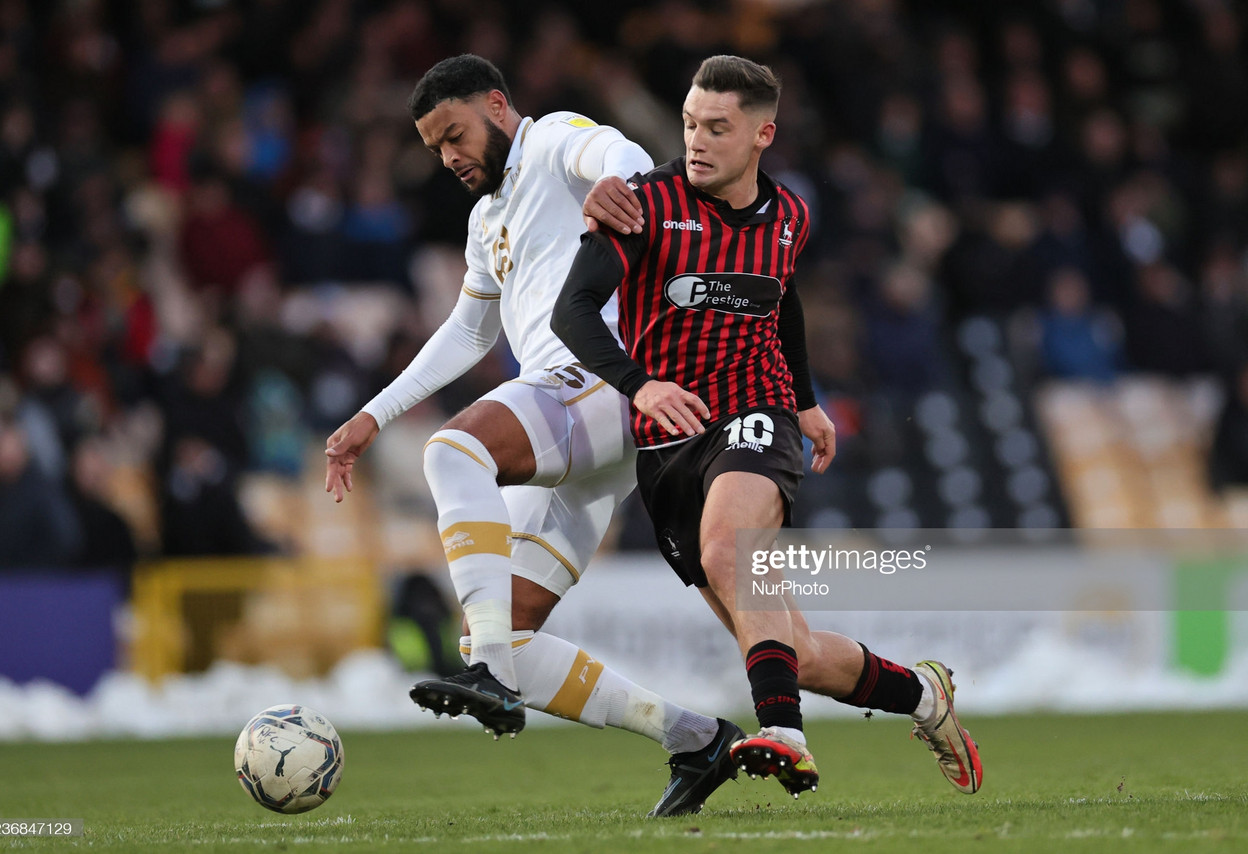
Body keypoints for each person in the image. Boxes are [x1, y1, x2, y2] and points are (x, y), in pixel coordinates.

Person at [324, 55, 741, 817]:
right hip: (589, 437)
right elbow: (466, 333)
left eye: (454, 134)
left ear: (496, 105)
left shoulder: (550, 142)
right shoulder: (488, 220)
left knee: (454, 451)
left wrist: (623, 182)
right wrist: (372, 414)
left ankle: (489, 679)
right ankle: (696, 739)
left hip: (603, 381)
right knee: (504, 634)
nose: (448, 156)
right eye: (434, 148)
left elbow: (609, 150)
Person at [553, 55, 982, 798]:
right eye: (690, 124)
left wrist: (805, 400)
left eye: (717, 128)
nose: (697, 141)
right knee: (798, 651)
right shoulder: (642, 205)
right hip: (666, 446)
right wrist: (641, 383)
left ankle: (782, 734)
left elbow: (780, 301)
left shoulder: (791, 216)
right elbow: (573, 311)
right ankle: (923, 697)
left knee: (732, 550)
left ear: (762, 135)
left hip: (756, 413)